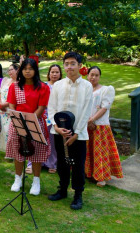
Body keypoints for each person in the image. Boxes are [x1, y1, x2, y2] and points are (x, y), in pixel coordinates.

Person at [47, 52, 93, 210]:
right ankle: (62, 190)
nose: (69, 67)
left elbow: (87, 111)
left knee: (78, 165)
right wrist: (56, 127)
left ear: (80, 66)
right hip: (59, 132)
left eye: (73, 63)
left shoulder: (87, 86)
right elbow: (51, 107)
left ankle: (78, 195)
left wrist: (76, 133)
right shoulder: (58, 85)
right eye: (66, 64)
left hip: (78, 135)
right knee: (62, 163)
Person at [6, 59, 51, 195]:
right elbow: (12, 105)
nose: (27, 71)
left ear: (35, 70)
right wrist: (19, 120)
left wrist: (30, 122)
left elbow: (41, 107)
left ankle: (36, 181)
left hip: (35, 123)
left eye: (30, 68)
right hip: (17, 123)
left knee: (36, 152)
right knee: (18, 151)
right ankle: (18, 178)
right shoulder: (15, 86)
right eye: (25, 68)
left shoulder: (43, 87)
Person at [85, 66, 123, 187]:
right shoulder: (84, 90)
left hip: (99, 126)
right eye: (91, 74)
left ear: (99, 77)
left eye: (96, 75)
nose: (93, 77)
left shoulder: (106, 90)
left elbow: (104, 107)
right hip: (85, 125)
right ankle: (88, 173)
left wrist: (92, 120)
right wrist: (86, 121)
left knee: (99, 152)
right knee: (86, 151)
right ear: (87, 75)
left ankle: (101, 177)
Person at [26, 64, 62, 174]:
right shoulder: (42, 85)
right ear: (49, 73)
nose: (54, 74)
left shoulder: (62, 86)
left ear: (60, 74)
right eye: (52, 72)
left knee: (52, 141)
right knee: (36, 140)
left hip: (56, 117)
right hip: (42, 115)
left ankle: (52, 163)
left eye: (57, 72)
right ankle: (32, 163)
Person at [0, 63, 19, 152]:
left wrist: (4, 104)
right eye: (8, 70)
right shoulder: (5, 80)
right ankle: (5, 150)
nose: (9, 72)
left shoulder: (19, 83)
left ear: (17, 70)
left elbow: (16, 97)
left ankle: (12, 151)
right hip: (1, 109)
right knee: (3, 131)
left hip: (10, 109)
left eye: (11, 70)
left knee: (10, 131)